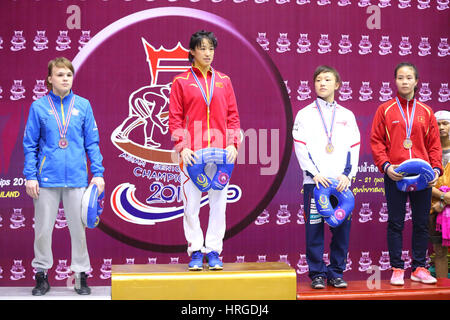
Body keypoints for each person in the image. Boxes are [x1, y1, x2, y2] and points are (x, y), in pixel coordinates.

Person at [23, 57, 105, 295]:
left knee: (79, 231)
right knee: (43, 231)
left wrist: (97, 173)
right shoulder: (38, 107)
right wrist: (31, 176)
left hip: (77, 178)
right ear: (49, 79)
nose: (65, 78)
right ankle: (41, 276)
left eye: (68, 74)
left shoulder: (83, 105)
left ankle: (80, 275)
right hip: (46, 179)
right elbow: (30, 145)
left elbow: (92, 143)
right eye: (60, 75)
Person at [169, 30, 240, 271]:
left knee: (218, 203)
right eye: (202, 48)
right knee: (190, 205)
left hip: (220, 153)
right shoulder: (181, 81)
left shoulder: (225, 80)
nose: (208, 53)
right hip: (192, 154)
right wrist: (182, 146)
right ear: (192, 51)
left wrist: (232, 144)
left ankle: (214, 251)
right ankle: (196, 250)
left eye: (211, 48)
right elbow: (175, 119)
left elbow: (233, 116)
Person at [370, 62, 442, 285]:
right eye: (400, 77)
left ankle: (419, 267)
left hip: (422, 177)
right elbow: (376, 141)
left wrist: (436, 169)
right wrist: (386, 167)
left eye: (409, 77)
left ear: (416, 81)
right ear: (395, 81)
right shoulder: (385, 109)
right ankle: (397, 269)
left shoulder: (427, 111)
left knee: (421, 222)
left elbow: (434, 145)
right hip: (396, 176)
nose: (404, 81)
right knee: (395, 222)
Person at [293, 65, 361, 289]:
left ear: (337, 85)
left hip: (341, 185)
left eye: (327, 79)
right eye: (318, 80)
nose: (322, 83)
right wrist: (314, 173)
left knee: (341, 229)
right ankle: (317, 274)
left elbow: (354, 147)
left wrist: (347, 175)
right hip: (315, 183)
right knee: (314, 229)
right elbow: (300, 147)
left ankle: (336, 272)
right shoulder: (304, 114)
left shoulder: (347, 115)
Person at [429, 110, 450, 279]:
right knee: (440, 251)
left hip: (440, 204)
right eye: (438, 123)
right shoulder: (427, 152)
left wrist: (444, 202)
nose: (441, 127)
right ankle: (443, 291)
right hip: (433, 210)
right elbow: (422, 182)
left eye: (445, 123)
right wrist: (442, 199)